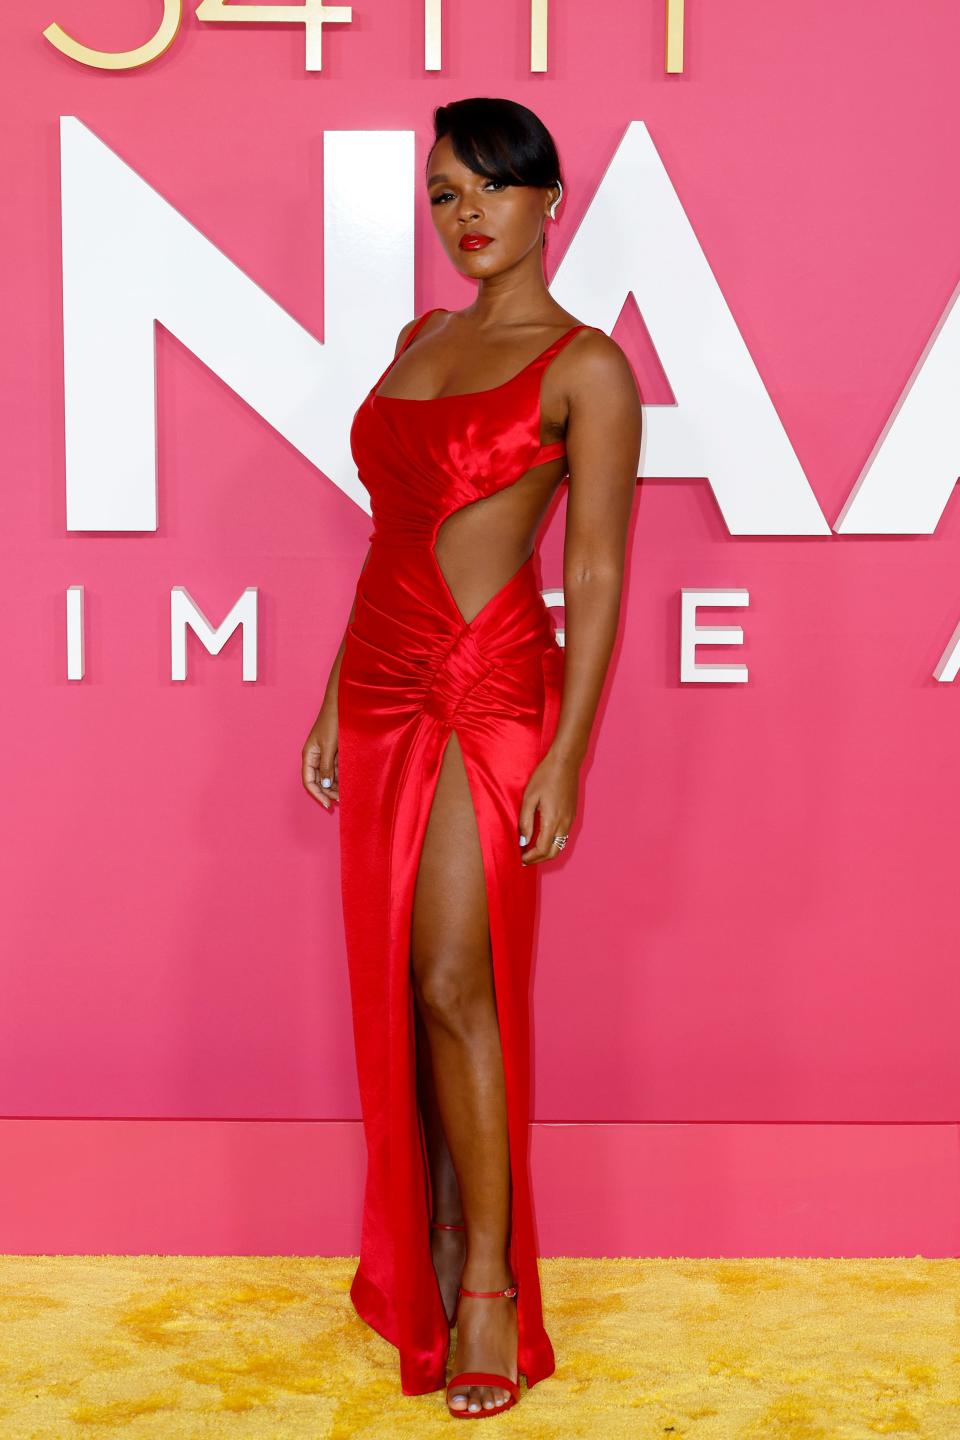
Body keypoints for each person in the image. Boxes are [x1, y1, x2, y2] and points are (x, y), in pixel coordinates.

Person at [302, 96, 641, 1419]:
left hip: (488, 685)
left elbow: (602, 571)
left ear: (552, 199)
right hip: (381, 682)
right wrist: (336, 692)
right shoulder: (417, 339)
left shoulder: (586, 365)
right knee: (393, 979)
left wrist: (565, 753)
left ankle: (492, 1286)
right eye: (445, 194)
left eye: (492, 188)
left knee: (455, 974)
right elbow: (391, 536)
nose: (467, 216)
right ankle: (430, 1255)